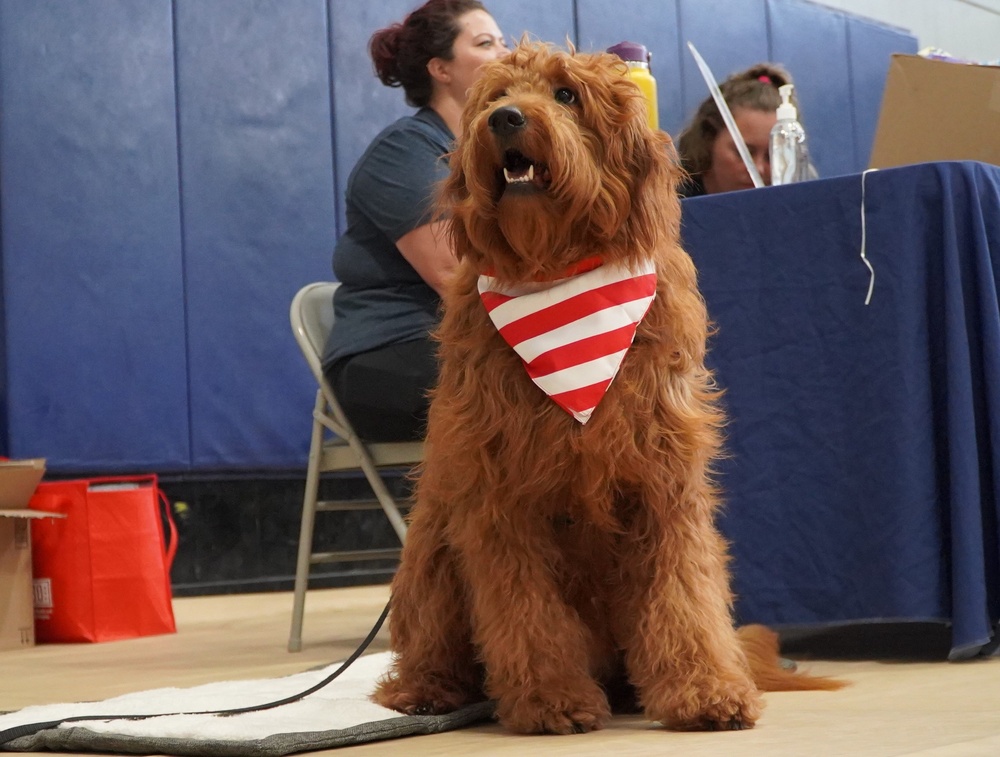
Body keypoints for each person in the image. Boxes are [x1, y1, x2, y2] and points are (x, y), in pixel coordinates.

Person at [321, 0, 509, 442]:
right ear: (441, 70)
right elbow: (454, 275)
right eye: (486, 43)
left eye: (504, 41)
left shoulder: (498, 159)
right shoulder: (403, 151)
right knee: (530, 389)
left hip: (468, 342)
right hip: (387, 355)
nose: (508, 54)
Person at [676, 62, 808, 197]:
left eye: (772, 157)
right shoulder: (669, 209)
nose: (759, 168)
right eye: (744, 153)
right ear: (708, 141)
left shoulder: (801, 206)